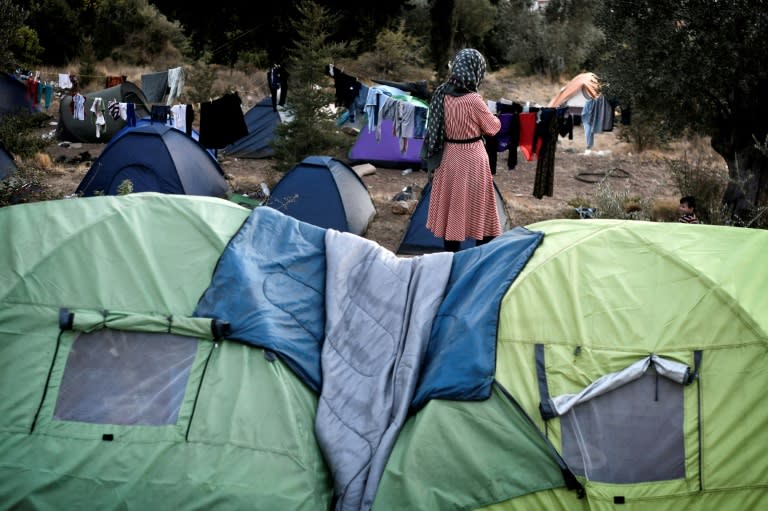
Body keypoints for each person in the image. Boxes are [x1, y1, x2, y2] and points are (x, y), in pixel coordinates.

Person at [421, 48, 502, 253]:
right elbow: (492, 128)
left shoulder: (441, 94)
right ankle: (480, 259)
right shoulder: (474, 100)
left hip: (448, 156)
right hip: (473, 158)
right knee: (480, 210)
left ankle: (452, 259)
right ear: (477, 70)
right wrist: (495, 116)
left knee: (452, 211)